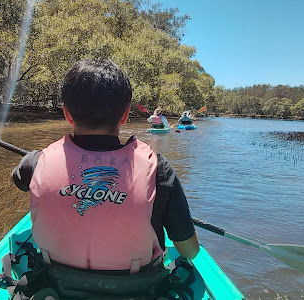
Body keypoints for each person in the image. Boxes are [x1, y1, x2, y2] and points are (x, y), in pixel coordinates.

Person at [12, 58, 199, 298]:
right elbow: (190, 251)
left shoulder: (35, 163)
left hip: (56, 284)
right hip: (138, 288)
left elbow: (18, 179)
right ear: (125, 115)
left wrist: (35, 161)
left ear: (67, 114)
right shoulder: (159, 171)